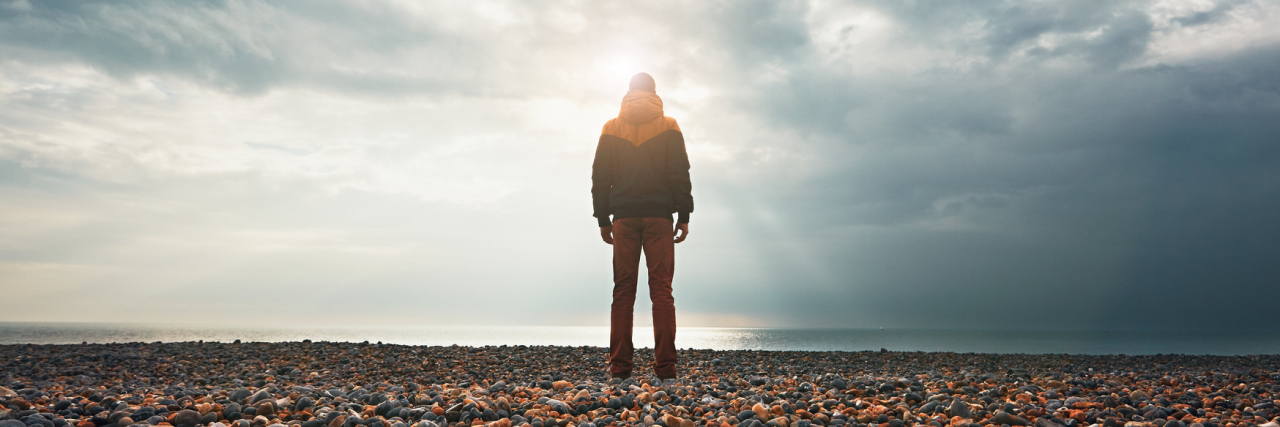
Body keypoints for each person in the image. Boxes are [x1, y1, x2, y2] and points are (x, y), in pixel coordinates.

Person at [591, 72, 692, 384]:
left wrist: (603, 218)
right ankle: (667, 370)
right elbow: (680, 172)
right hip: (659, 217)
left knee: (623, 291)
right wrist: (684, 214)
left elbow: (600, 176)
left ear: (629, 92)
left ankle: (620, 370)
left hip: (623, 218)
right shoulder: (669, 125)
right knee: (661, 291)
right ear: (654, 93)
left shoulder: (611, 127)